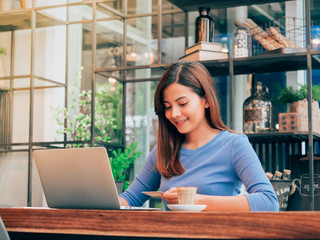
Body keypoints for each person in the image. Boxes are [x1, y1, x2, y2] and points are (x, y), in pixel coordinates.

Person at [119, 61, 279, 212]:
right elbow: (130, 198)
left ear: (206, 101)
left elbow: (268, 202)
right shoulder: (163, 151)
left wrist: (197, 201)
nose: (174, 114)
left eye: (182, 104)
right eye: (167, 107)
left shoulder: (233, 144)